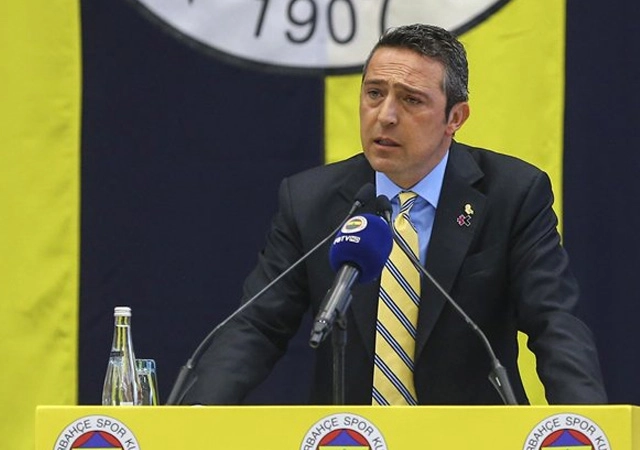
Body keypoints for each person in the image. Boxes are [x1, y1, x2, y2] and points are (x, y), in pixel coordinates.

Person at [182, 24, 607, 405]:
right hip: (350, 438)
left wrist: (588, 426)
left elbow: (554, 322)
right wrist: (197, 417)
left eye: (411, 100)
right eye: (374, 93)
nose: (385, 116)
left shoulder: (511, 194)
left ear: (455, 118)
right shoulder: (312, 199)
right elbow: (257, 325)